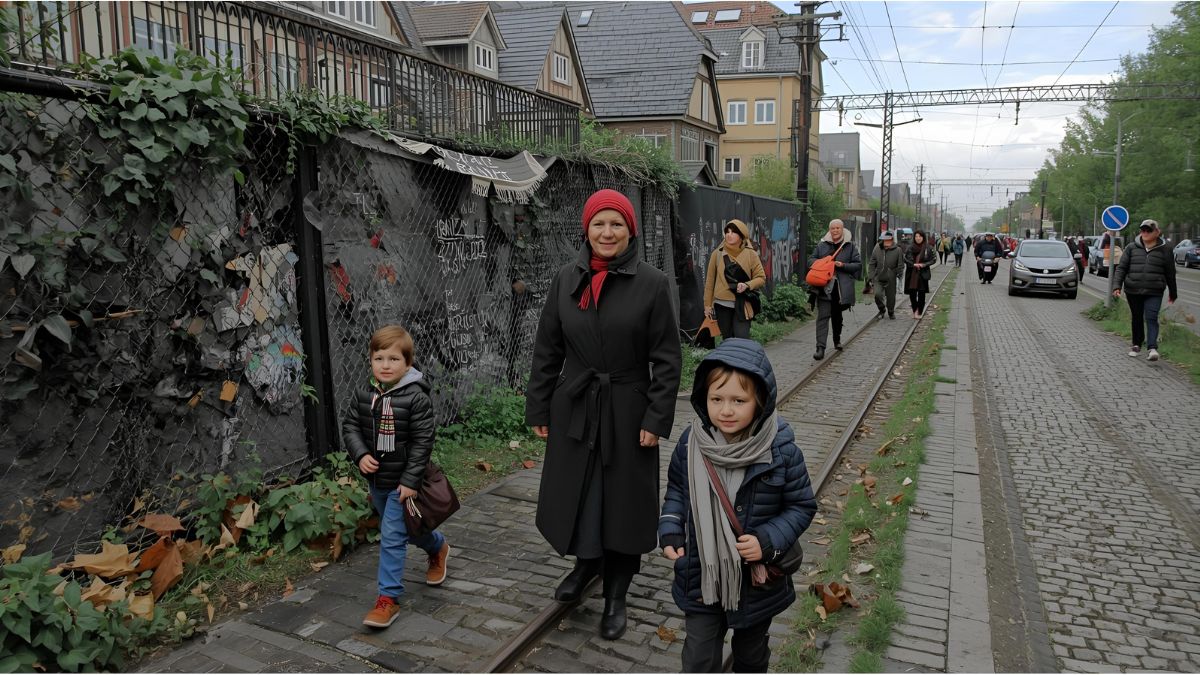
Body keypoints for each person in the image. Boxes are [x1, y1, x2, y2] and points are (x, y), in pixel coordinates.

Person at [525, 188, 682, 640]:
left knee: (622, 504)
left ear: (630, 230)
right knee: (580, 494)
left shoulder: (652, 283)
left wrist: (656, 418)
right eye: (599, 223)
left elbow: (668, 360)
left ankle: (616, 593)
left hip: (628, 410)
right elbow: (547, 349)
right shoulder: (565, 278)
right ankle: (585, 564)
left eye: (616, 224)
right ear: (586, 228)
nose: (607, 232)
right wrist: (538, 404)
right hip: (575, 403)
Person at [658, 338, 817, 673]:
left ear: (759, 401)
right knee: (699, 658)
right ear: (704, 398)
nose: (726, 410)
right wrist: (670, 526)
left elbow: (802, 505)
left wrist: (768, 541)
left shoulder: (781, 449)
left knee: (751, 655)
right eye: (716, 399)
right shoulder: (691, 443)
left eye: (738, 400)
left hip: (755, 585)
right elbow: (677, 489)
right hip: (702, 576)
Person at [344, 325, 451, 629]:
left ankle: (387, 599)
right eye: (379, 358)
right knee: (409, 530)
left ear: (407, 363)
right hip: (378, 480)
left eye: (393, 359)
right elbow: (350, 426)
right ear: (370, 360)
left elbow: (422, 442)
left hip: (404, 481)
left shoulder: (416, 397)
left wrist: (410, 480)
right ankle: (437, 546)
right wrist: (360, 453)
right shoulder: (364, 393)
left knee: (391, 537)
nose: (386, 365)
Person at [1113, 219, 1178, 361]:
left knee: (1151, 317)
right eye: (1143, 230)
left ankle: (1152, 347)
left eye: (1149, 230)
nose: (1145, 233)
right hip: (1133, 289)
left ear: (1157, 232)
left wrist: (1173, 293)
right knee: (1137, 317)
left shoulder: (1166, 249)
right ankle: (1136, 344)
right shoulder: (1131, 248)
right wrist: (1117, 286)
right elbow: (1122, 268)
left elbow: (1170, 272)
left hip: (1154, 290)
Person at [704, 219, 767, 340]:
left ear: (742, 235)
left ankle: (742, 358)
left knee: (742, 338)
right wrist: (707, 305)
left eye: (733, 232)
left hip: (743, 303)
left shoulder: (751, 254)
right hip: (721, 304)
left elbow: (761, 278)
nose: (729, 235)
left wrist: (747, 285)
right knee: (727, 340)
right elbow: (710, 281)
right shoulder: (717, 254)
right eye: (727, 232)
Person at [808, 219, 862, 361]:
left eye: (838, 228)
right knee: (822, 317)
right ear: (829, 230)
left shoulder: (850, 246)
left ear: (842, 229)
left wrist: (842, 265)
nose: (835, 231)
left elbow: (857, 265)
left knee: (837, 316)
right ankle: (820, 348)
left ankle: (837, 339)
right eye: (833, 228)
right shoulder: (822, 245)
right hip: (823, 287)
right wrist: (823, 262)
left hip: (840, 289)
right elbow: (810, 261)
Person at [869, 231, 903, 320]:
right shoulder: (877, 248)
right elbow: (872, 263)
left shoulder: (898, 250)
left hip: (891, 278)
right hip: (878, 277)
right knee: (877, 294)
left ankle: (891, 311)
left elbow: (900, 265)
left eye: (889, 240)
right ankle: (882, 309)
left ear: (892, 240)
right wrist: (871, 276)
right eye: (885, 240)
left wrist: (898, 273)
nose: (887, 242)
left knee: (891, 297)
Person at [904, 230, 936, 319]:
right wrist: (913, 264)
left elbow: (933, 259)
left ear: (923, 237)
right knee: (912, 294)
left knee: (922, 293)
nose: (918, 238)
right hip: (912, 274)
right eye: (916, 236)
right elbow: (905, 259)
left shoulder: (928, 248)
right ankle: (915, 310)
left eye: (920, 236)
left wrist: (924, 265)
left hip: (923, 274)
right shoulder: (910, 248)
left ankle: (920, 311)